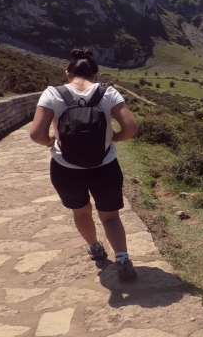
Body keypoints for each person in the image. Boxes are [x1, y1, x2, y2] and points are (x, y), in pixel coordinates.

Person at [29, 48, 139, 280]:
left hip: (65, 168)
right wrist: (112, 138)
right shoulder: (108, 93)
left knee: (81, 212)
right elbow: (131, 129)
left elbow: (36, 134)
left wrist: (51, 142)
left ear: (68, 73)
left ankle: (95, 247)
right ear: (96, 75)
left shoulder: (52, 94)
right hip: (105, 165)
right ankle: (122, 258)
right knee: (110, 216)